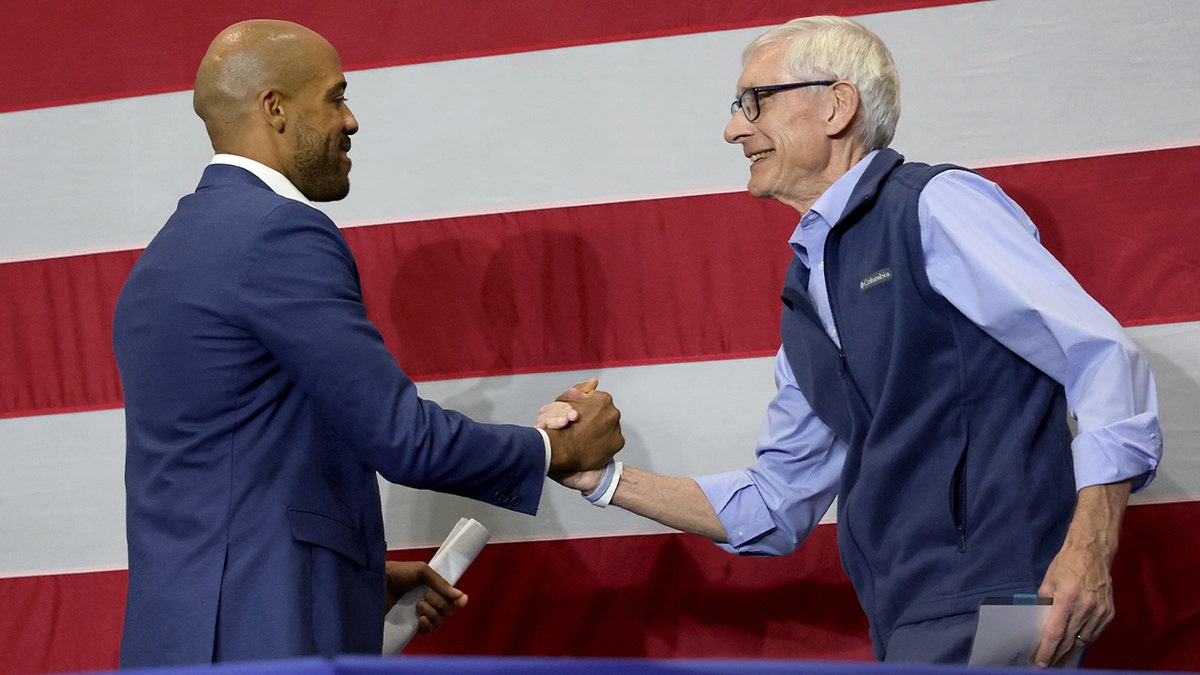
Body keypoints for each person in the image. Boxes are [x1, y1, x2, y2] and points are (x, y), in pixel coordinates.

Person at [543, 15, 1162, 667]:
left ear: (837, 105)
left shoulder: (935, 205)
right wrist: (602, 478)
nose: (733, 128)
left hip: (1009, 602)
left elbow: (1101, 357)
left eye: (755, 101)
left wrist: (1091, 543)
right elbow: (777, 502)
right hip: (909, 621)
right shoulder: (808, 290)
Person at [112, 19, 623, 667]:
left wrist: (353, 579)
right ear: (275, 108)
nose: (350, 120)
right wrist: (557, 447)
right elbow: (402, 438)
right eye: (335, 97)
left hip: (181, 636)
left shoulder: (161, 258)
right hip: (265, 635)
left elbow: (226, 466)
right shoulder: (280, 234)